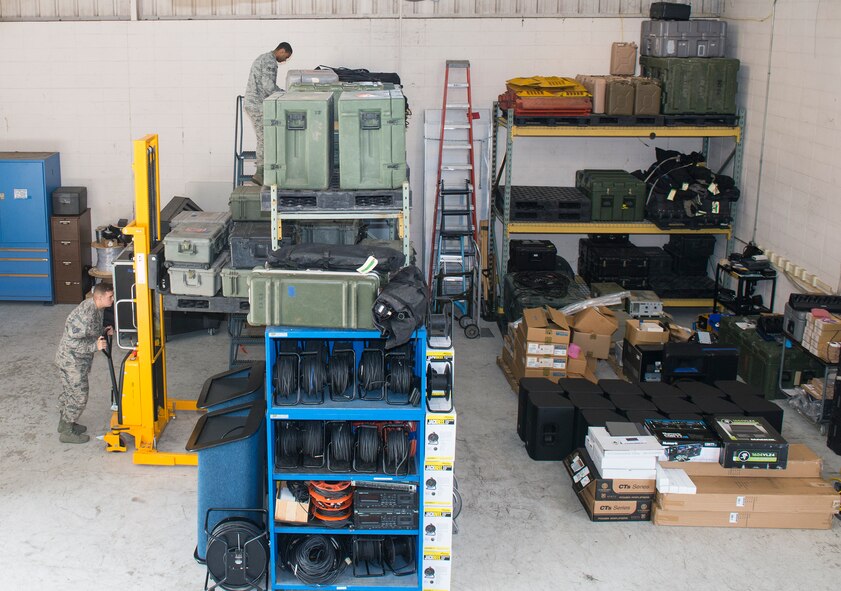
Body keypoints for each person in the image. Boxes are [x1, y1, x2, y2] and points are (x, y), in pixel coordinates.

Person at [54, 283, 115, 444]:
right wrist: (94, 346)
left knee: (70, 393)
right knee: (79, 396)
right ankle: (67, 431)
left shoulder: (98, 308)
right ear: (99, 297)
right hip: (71, 361)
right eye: (110, 296)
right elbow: (70, 342)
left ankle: (66, 422)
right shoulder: (86, 314)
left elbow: (89, 330)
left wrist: (103, 330)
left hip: (78, 360)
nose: (113, 299)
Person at [244, 42, 293, 185]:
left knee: (265, 137)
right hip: (257, 105)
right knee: (265, 138)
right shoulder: (270, 61)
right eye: (286, 56)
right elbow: (268, 87)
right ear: (281, 50)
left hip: (255, 103)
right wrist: (286, 95)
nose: (284, 60)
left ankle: (264, 171)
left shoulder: (263, 57)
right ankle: (260, 173)